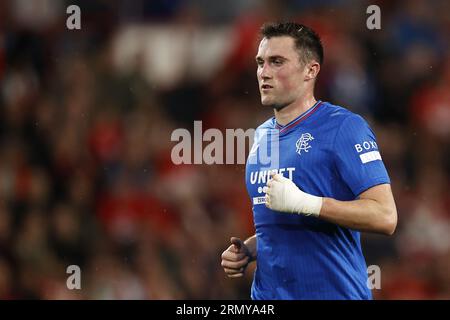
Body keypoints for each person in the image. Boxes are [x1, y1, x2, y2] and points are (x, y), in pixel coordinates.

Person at [221, 22, 397, 300]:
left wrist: (308, 203)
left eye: (277, 62)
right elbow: (283, 226)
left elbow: (385, 217)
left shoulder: (344, 128)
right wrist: (250, 249)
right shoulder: (262, 136)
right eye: (260, 63)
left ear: (310, 70)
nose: (264, 73)